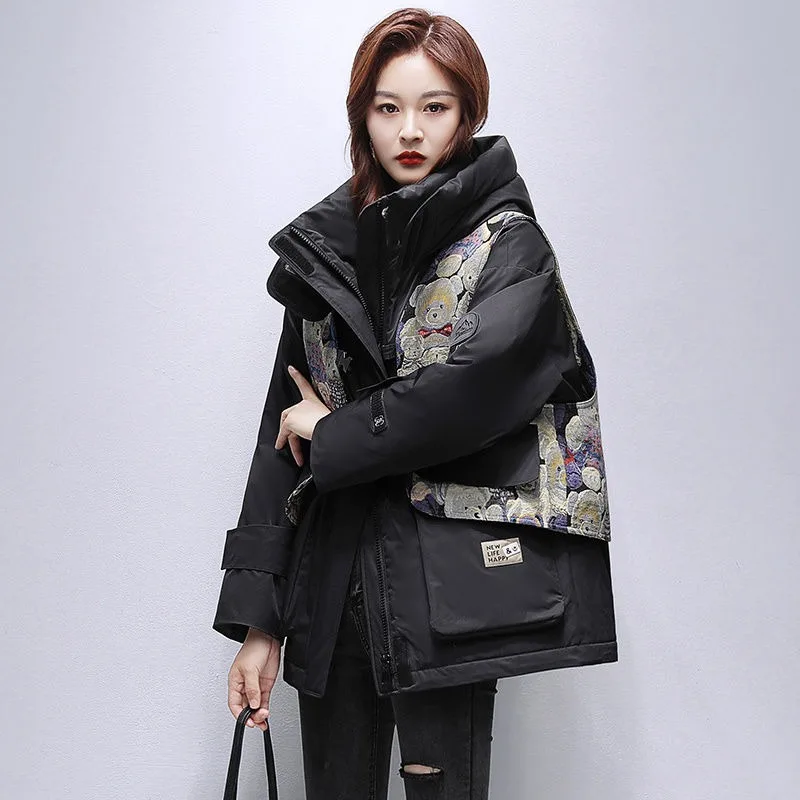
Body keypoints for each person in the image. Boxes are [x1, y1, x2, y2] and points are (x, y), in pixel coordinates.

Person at [213, 8, 617, 799]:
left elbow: (471, 395)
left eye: (434, 106)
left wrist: (335, 430)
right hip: (332, 592)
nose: (409, 130)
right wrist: (260, 623)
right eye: (387, 107)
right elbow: (278, 440)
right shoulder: (325, 256)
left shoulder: (510, 248)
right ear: (361, 116)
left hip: (448, 601)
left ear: (468, 113)